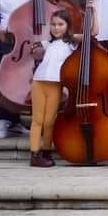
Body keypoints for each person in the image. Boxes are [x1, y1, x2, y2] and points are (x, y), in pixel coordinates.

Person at [0, 0, 58, 138]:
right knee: (7, 81)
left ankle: (27, 122)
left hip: (35, 41)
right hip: (10, 41)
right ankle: (5, 120)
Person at [27, 9, 78, 167]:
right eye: (53, 24)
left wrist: (93, 12)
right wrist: (36, 49)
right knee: (37, 120)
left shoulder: (71, 43)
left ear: (68, 25)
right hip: (39, 82)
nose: (56, 28)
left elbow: (91, 35)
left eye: (61, 24)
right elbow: (35, 52)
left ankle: (46, 151)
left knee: (49, 121)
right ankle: (35, 154)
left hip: (55, 84)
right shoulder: (47, 43)